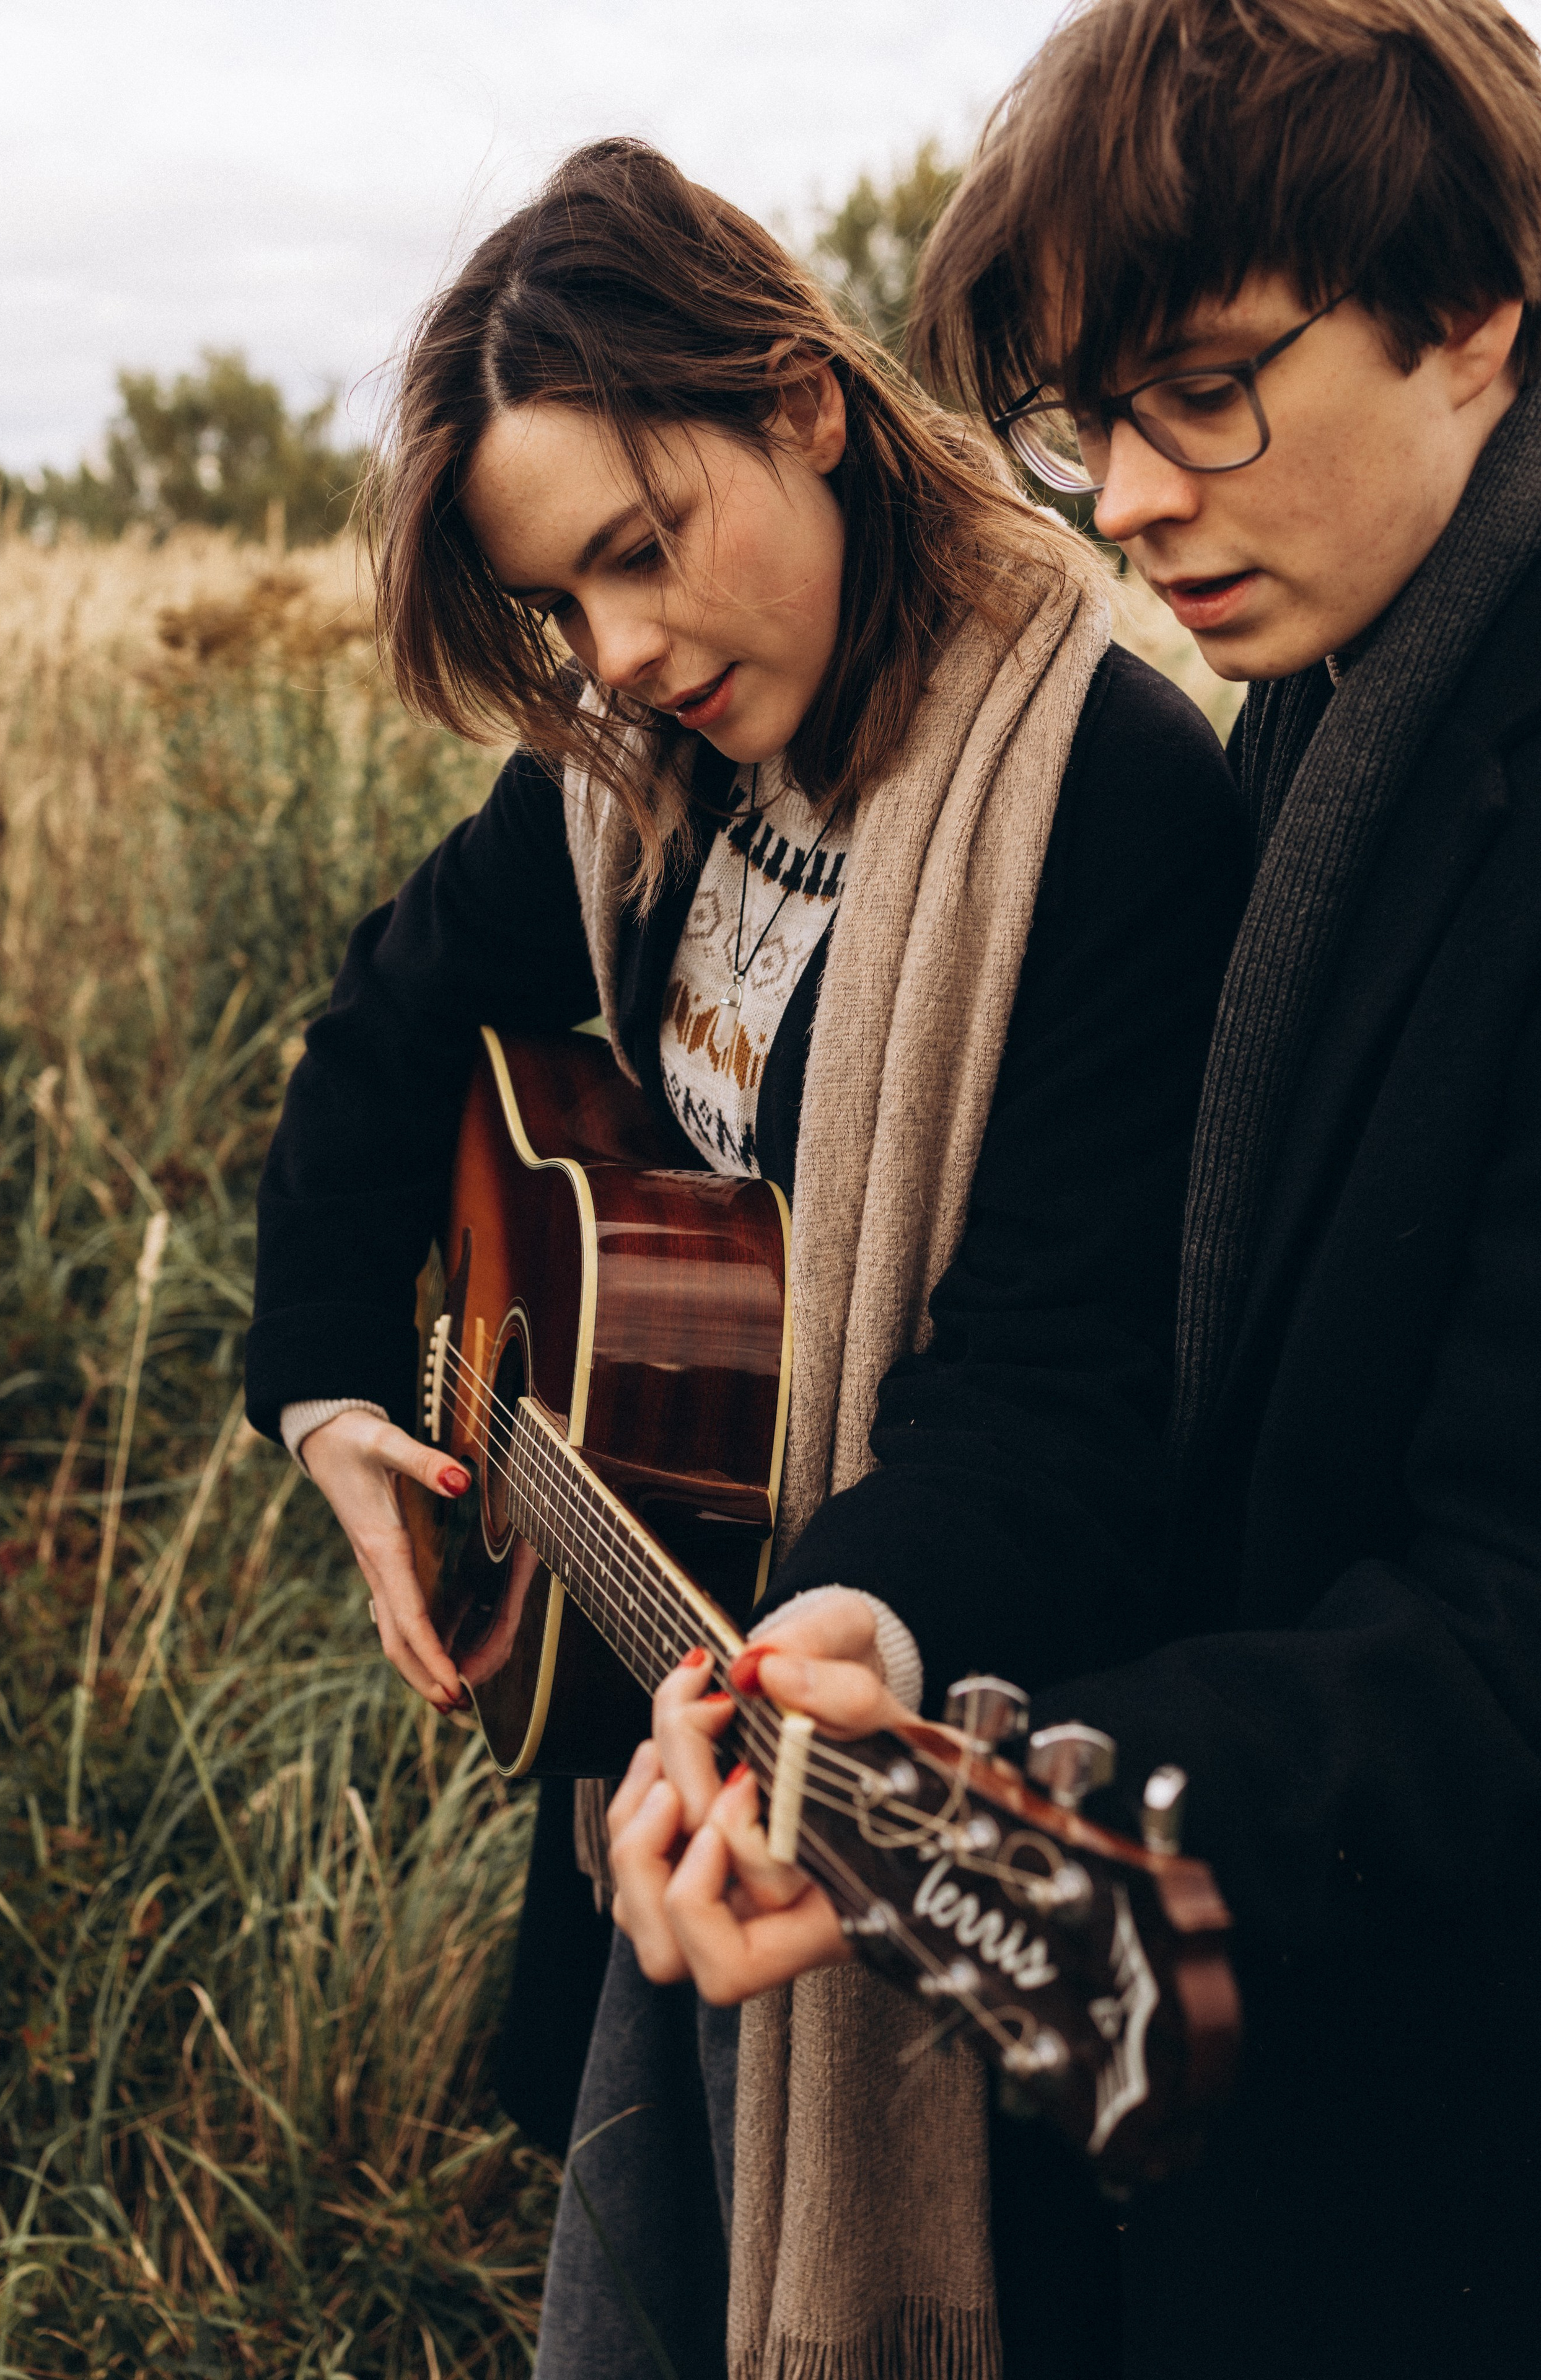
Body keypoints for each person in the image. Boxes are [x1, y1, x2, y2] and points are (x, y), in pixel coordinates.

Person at [242, 138, 1243, 2380]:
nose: (618, 654)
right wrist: (328, 1386)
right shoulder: (639, 771)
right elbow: (394, 1012)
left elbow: (1056, 1379)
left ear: (800, 400)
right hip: (654, 1740)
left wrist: (840, 1628)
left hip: (895, 1765)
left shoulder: (1106, 796)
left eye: (638, 551)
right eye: (559, 608)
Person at [615, 2, 1541, 2375]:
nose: (1123, 502)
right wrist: (887, 1643)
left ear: (1472, 306)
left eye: (1202, 387)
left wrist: (1035, 1797)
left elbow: (1507, 1616)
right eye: (1076, 430)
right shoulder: (1342, 696)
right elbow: (1123, 1355)